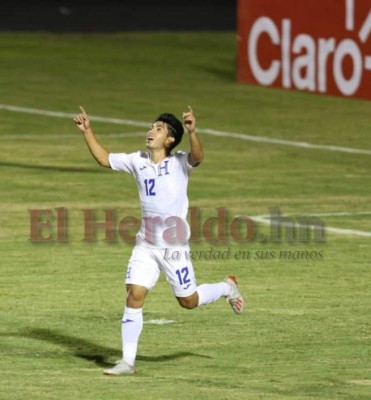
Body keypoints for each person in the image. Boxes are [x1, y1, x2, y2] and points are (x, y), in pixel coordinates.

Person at [74, 106, 245, 375]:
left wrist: (192, 131)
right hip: (146, 245)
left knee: (188, 301)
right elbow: (105, 159)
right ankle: (127, 362)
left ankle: (226, 287)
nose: (151, 130)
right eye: (152, 125)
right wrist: (88, 131)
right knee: (134, 295)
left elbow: (198, 157)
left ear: (169, 139)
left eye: (159, 128)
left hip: (174, 247)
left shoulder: (178, 162)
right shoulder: (138, 160)